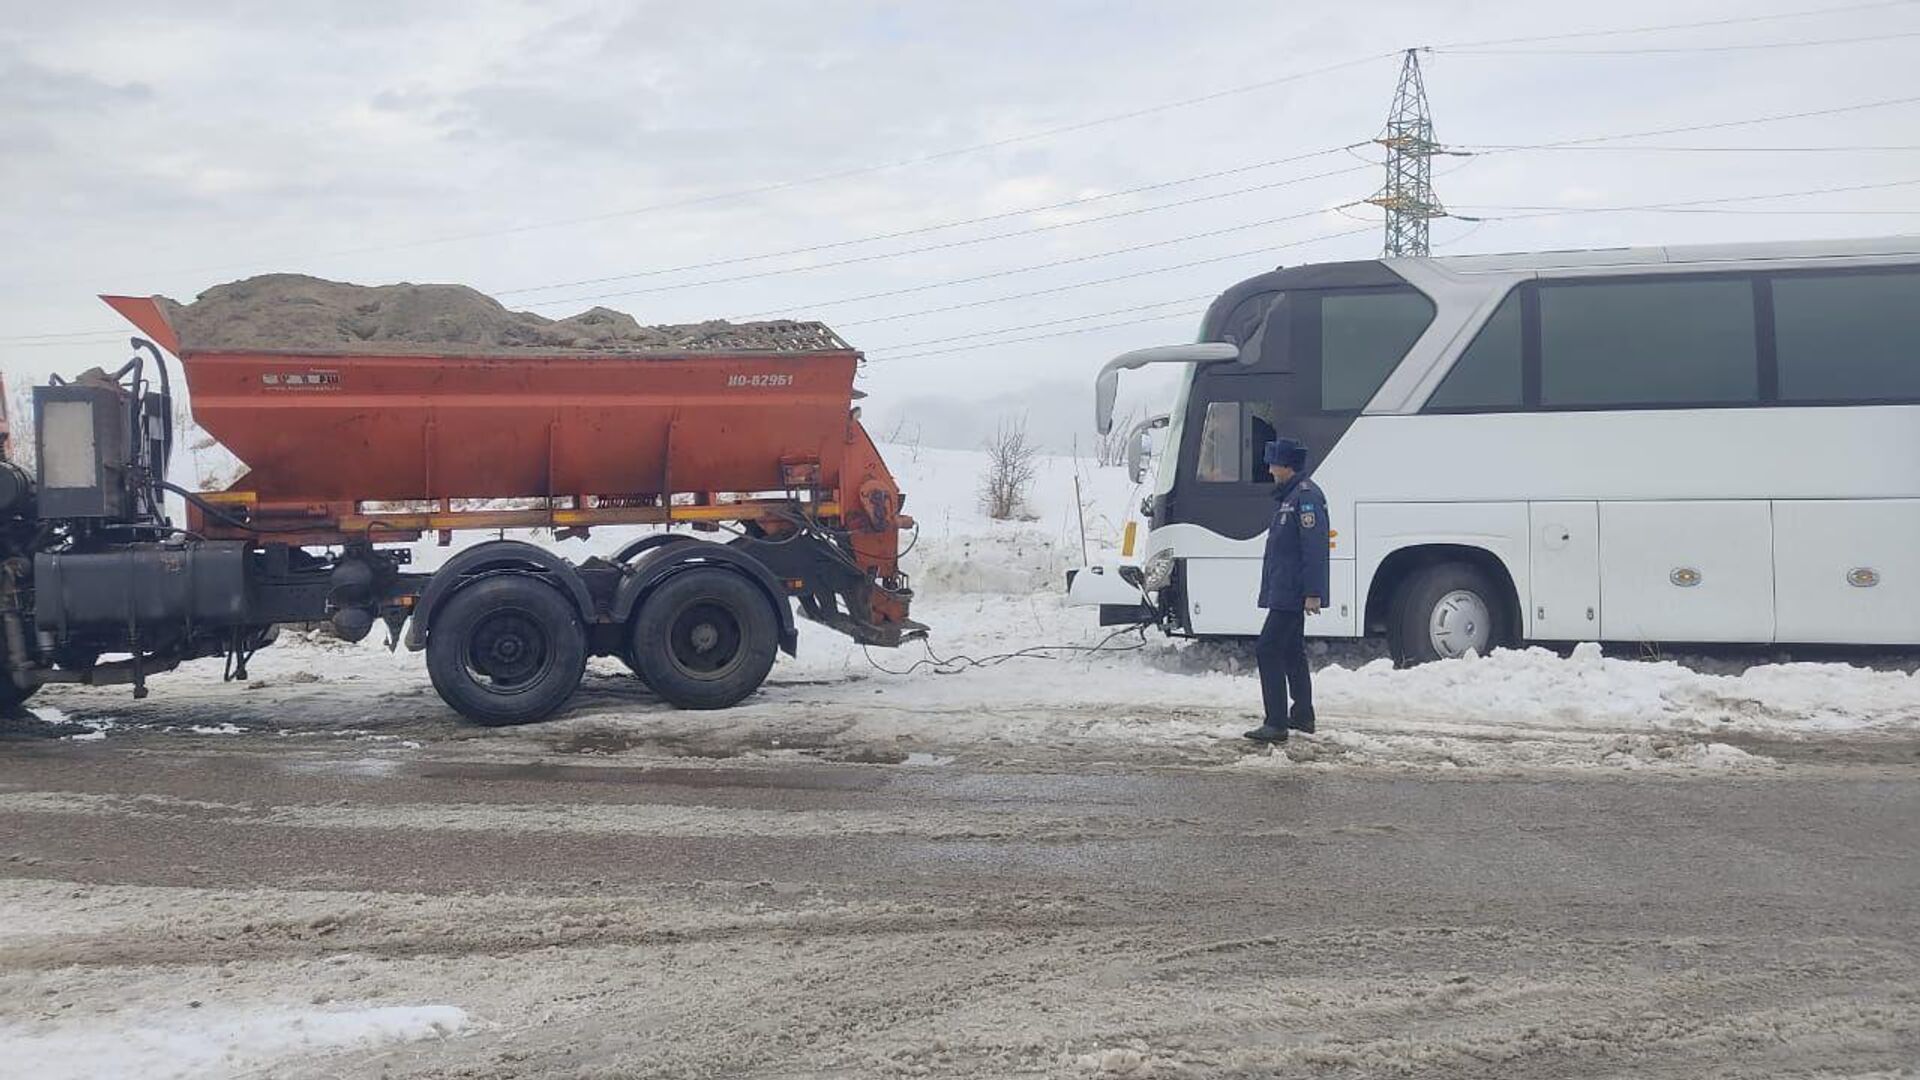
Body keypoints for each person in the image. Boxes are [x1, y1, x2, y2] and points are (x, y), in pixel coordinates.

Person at [1245, 437, 1329, 743]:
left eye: (1274, 464)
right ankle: (1303, 715)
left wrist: (1313, 592)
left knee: (1267, 649)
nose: (1269, 469)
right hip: (1285, 588)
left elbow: (1314, 548)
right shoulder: (1290, 497)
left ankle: (1276, 722)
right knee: (1291, 651)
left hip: (1292, 591)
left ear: (1287, 466)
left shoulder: (1305, 498)